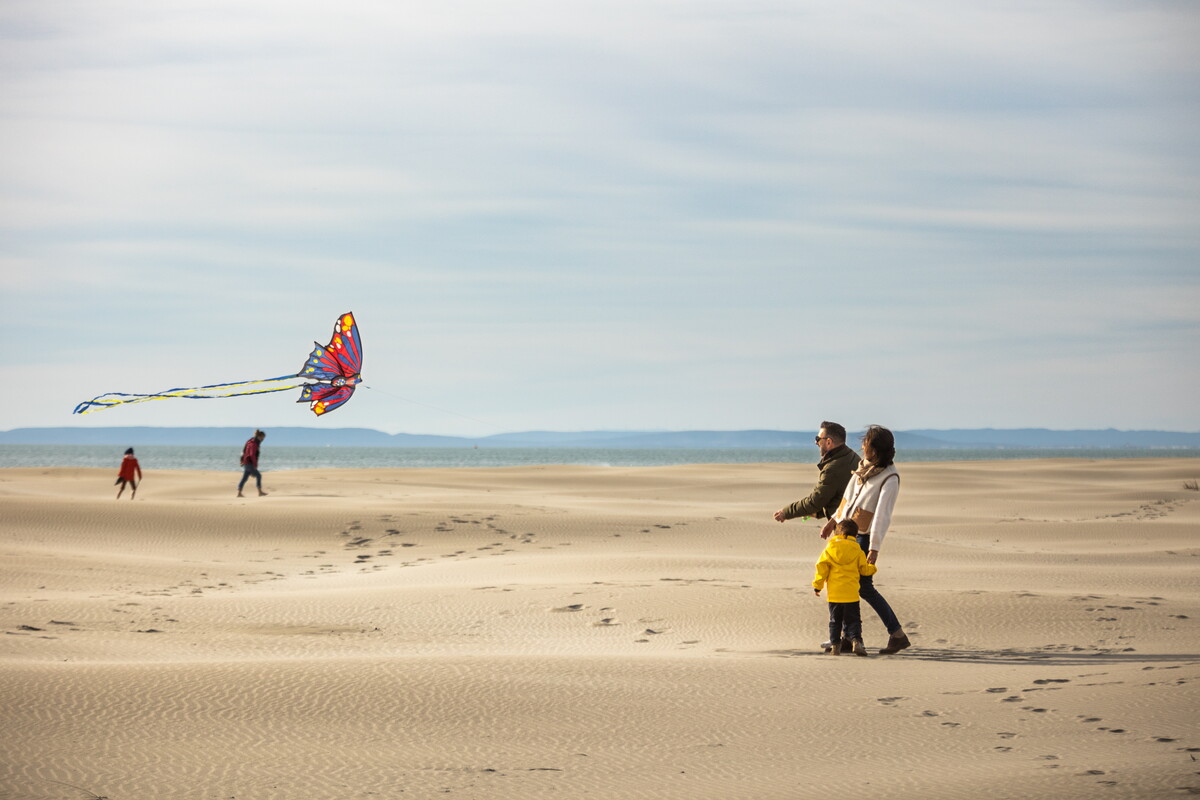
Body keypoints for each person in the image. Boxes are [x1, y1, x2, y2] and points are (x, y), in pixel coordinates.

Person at [821, 424, 910, 655]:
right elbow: (847, 499)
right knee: (844, 583)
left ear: (876, 448)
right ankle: (848, 637)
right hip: (845, 534)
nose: (861, 446)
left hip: (863, 537)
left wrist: (874, 548)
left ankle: (896, 634)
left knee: (863, 587)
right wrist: (832, 521)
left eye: (866, 443)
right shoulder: (863, 468)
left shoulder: (890, 476)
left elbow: (883, 515)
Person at [773, 421, 860, 524]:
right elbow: (838, 498)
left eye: (818, 439)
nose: (816, 442)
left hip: (847, 528)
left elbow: (815, 502)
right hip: (855, 523)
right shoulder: (853, 457)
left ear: (828, 442)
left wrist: (786, 512)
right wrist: (818, 513)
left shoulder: (832, 469)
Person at [813, 518, 876, 657]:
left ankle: (835, 646)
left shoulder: (829, 549)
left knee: (835, 621)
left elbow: (821, 568)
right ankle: (856, 641)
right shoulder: (857, 550)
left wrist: (817, 586)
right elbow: (864, 570)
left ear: (837, 533)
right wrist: (872, 567)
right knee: (853, 620)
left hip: (834, 595)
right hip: (851, 594)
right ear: (855, 535)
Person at [237, 429, 268, 498]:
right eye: (263, 437)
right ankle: (260, 492)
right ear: (260, 436)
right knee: (259, 475)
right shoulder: (254, 444)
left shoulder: (250, 441)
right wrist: (255, 465)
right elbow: (252, 455)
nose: (263, 439)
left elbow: (243, 452)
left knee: (244, 478)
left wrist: (242, 461)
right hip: (249, 463)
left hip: (246, 463)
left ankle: (239, 493)